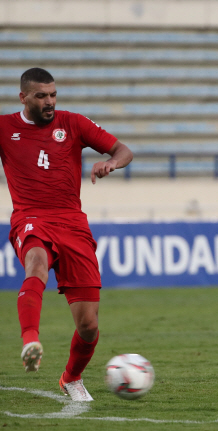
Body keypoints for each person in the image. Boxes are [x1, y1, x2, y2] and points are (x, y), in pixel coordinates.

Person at [0, 68, 133, 401]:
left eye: (53, 95)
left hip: (73, 223)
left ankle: (71, 378)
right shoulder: (5, 128)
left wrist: (111, 164)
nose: (50, 102)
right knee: (36, 263)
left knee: (88, 326)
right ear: (23, 97)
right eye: (42, 96)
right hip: (30, 217)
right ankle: (31, 338)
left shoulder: (73, 123)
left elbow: (124, 151)